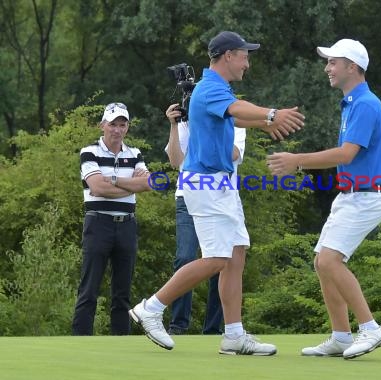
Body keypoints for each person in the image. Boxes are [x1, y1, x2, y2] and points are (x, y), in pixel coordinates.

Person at [129, 31, 305, 354]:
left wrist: (264, 123)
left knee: (236, 253)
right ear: (227, 56)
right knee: (216, 259)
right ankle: (151, 308)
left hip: (221, 185)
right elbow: (237, 109)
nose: (247, 63)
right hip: (205, 184)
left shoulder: (218, 90)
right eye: (244, 56)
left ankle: (234, 335)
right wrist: (270, 115)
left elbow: (234, 114)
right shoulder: (210, 88)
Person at [267, 39, 381, 359]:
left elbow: (347, 155)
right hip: (351, 196)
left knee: (329, 260)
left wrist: (297, 160)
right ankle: (341, 336)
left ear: (352, 67)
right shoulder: (352, 101)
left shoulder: (365, 104)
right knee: (322, 262)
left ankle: (371, 328)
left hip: (367, 196)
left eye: (333, 62)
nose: (327, 68)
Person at [164, 105, 249, 336]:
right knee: (185, 257)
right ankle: (177, 325)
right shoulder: (186, 124)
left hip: (221, 196)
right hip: (188, 195)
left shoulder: (233, 121)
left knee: (222, 260)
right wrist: (175, 125)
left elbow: (232, 154)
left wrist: (204, 132)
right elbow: (175, 160)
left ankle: (213, 328)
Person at [73, 102, 151, 335]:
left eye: (122, 125)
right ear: (102, 125)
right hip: (98, 223)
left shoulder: (134, 153)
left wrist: (113, 181)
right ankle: (80, 341)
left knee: (122, 292)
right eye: (113, 124)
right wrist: (131, 185)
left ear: (127, 127)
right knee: (89, 289)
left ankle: (121, 343)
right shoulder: (90, 152)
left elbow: (148, 183)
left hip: (126, 224)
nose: (117, 130)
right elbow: (96, 188)